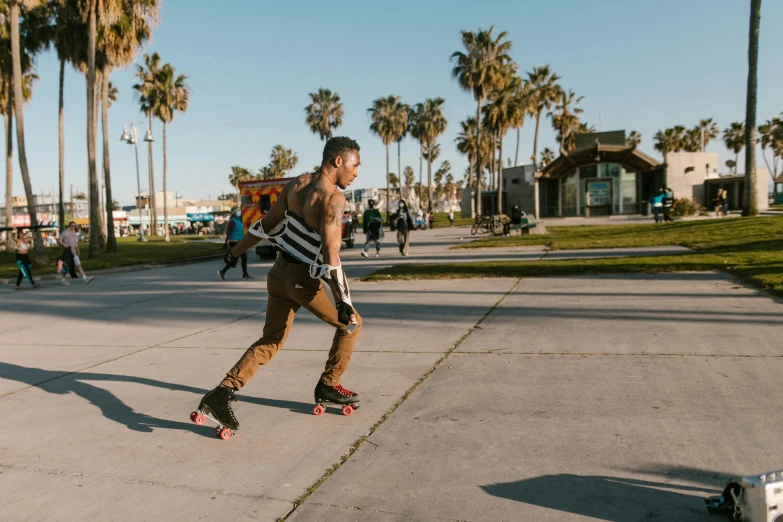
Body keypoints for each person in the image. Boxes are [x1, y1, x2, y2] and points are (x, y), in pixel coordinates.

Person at [196, 137, 363, 432]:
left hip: (278, 273)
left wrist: (235, 252)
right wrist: (343, 300)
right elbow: (330, 253)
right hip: (302, 281)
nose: (356, 172)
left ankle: (221, 394)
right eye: (355, 165)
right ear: (339, 161)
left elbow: (266, 224)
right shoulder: (334, 199)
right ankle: (328, 385)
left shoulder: (296, 184)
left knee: (271, 339)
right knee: (351, 325)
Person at [218, 206, 253, 281]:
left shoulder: (238, 221)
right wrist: (225, 243)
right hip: (234, 242)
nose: (239, 213)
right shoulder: (232, 221)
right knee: (243, 257)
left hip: (238, 241)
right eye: (238, 211)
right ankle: (244, 275)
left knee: (234, 259)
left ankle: (222, 272)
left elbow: (240, 232)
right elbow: (228, 233)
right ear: (234, 213)